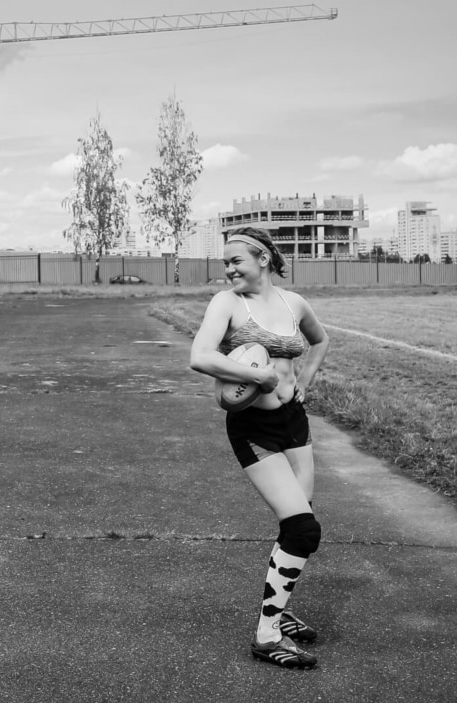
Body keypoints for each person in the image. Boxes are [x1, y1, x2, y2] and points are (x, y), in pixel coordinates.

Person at [188, 227, 330, 669]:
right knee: (303, 529)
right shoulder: (227, 303)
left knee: (299, 529)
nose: (228, 270)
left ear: (263, 259)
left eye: (236, 261)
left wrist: (304, 382)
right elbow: (200, 356)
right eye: (225, 264)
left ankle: (279, 612)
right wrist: (260, 377)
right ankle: (267, 635)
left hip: (294, 422)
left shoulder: (293, 303)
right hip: (253, 426)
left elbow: (320, 339)